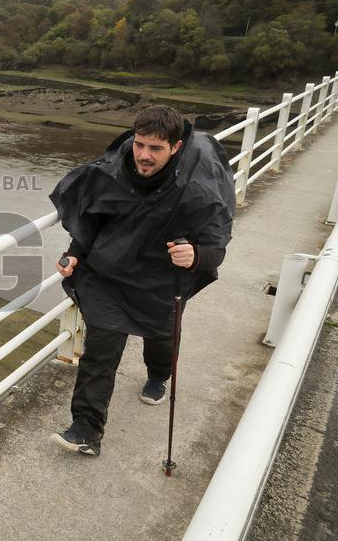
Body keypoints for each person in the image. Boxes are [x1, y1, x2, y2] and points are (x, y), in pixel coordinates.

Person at [48, 105, 235, 457]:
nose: (144, 156)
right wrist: (76, 252)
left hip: (159, 277)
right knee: (101, 348)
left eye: (155, 149)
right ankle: (85, 430)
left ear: (176, 147)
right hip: (109, 272)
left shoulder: (199, 188)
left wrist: (195, 256)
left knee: (160, 335)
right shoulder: (114, 169)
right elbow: (95, 217)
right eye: (139, 145)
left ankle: (158, 375)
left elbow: (216, 248)